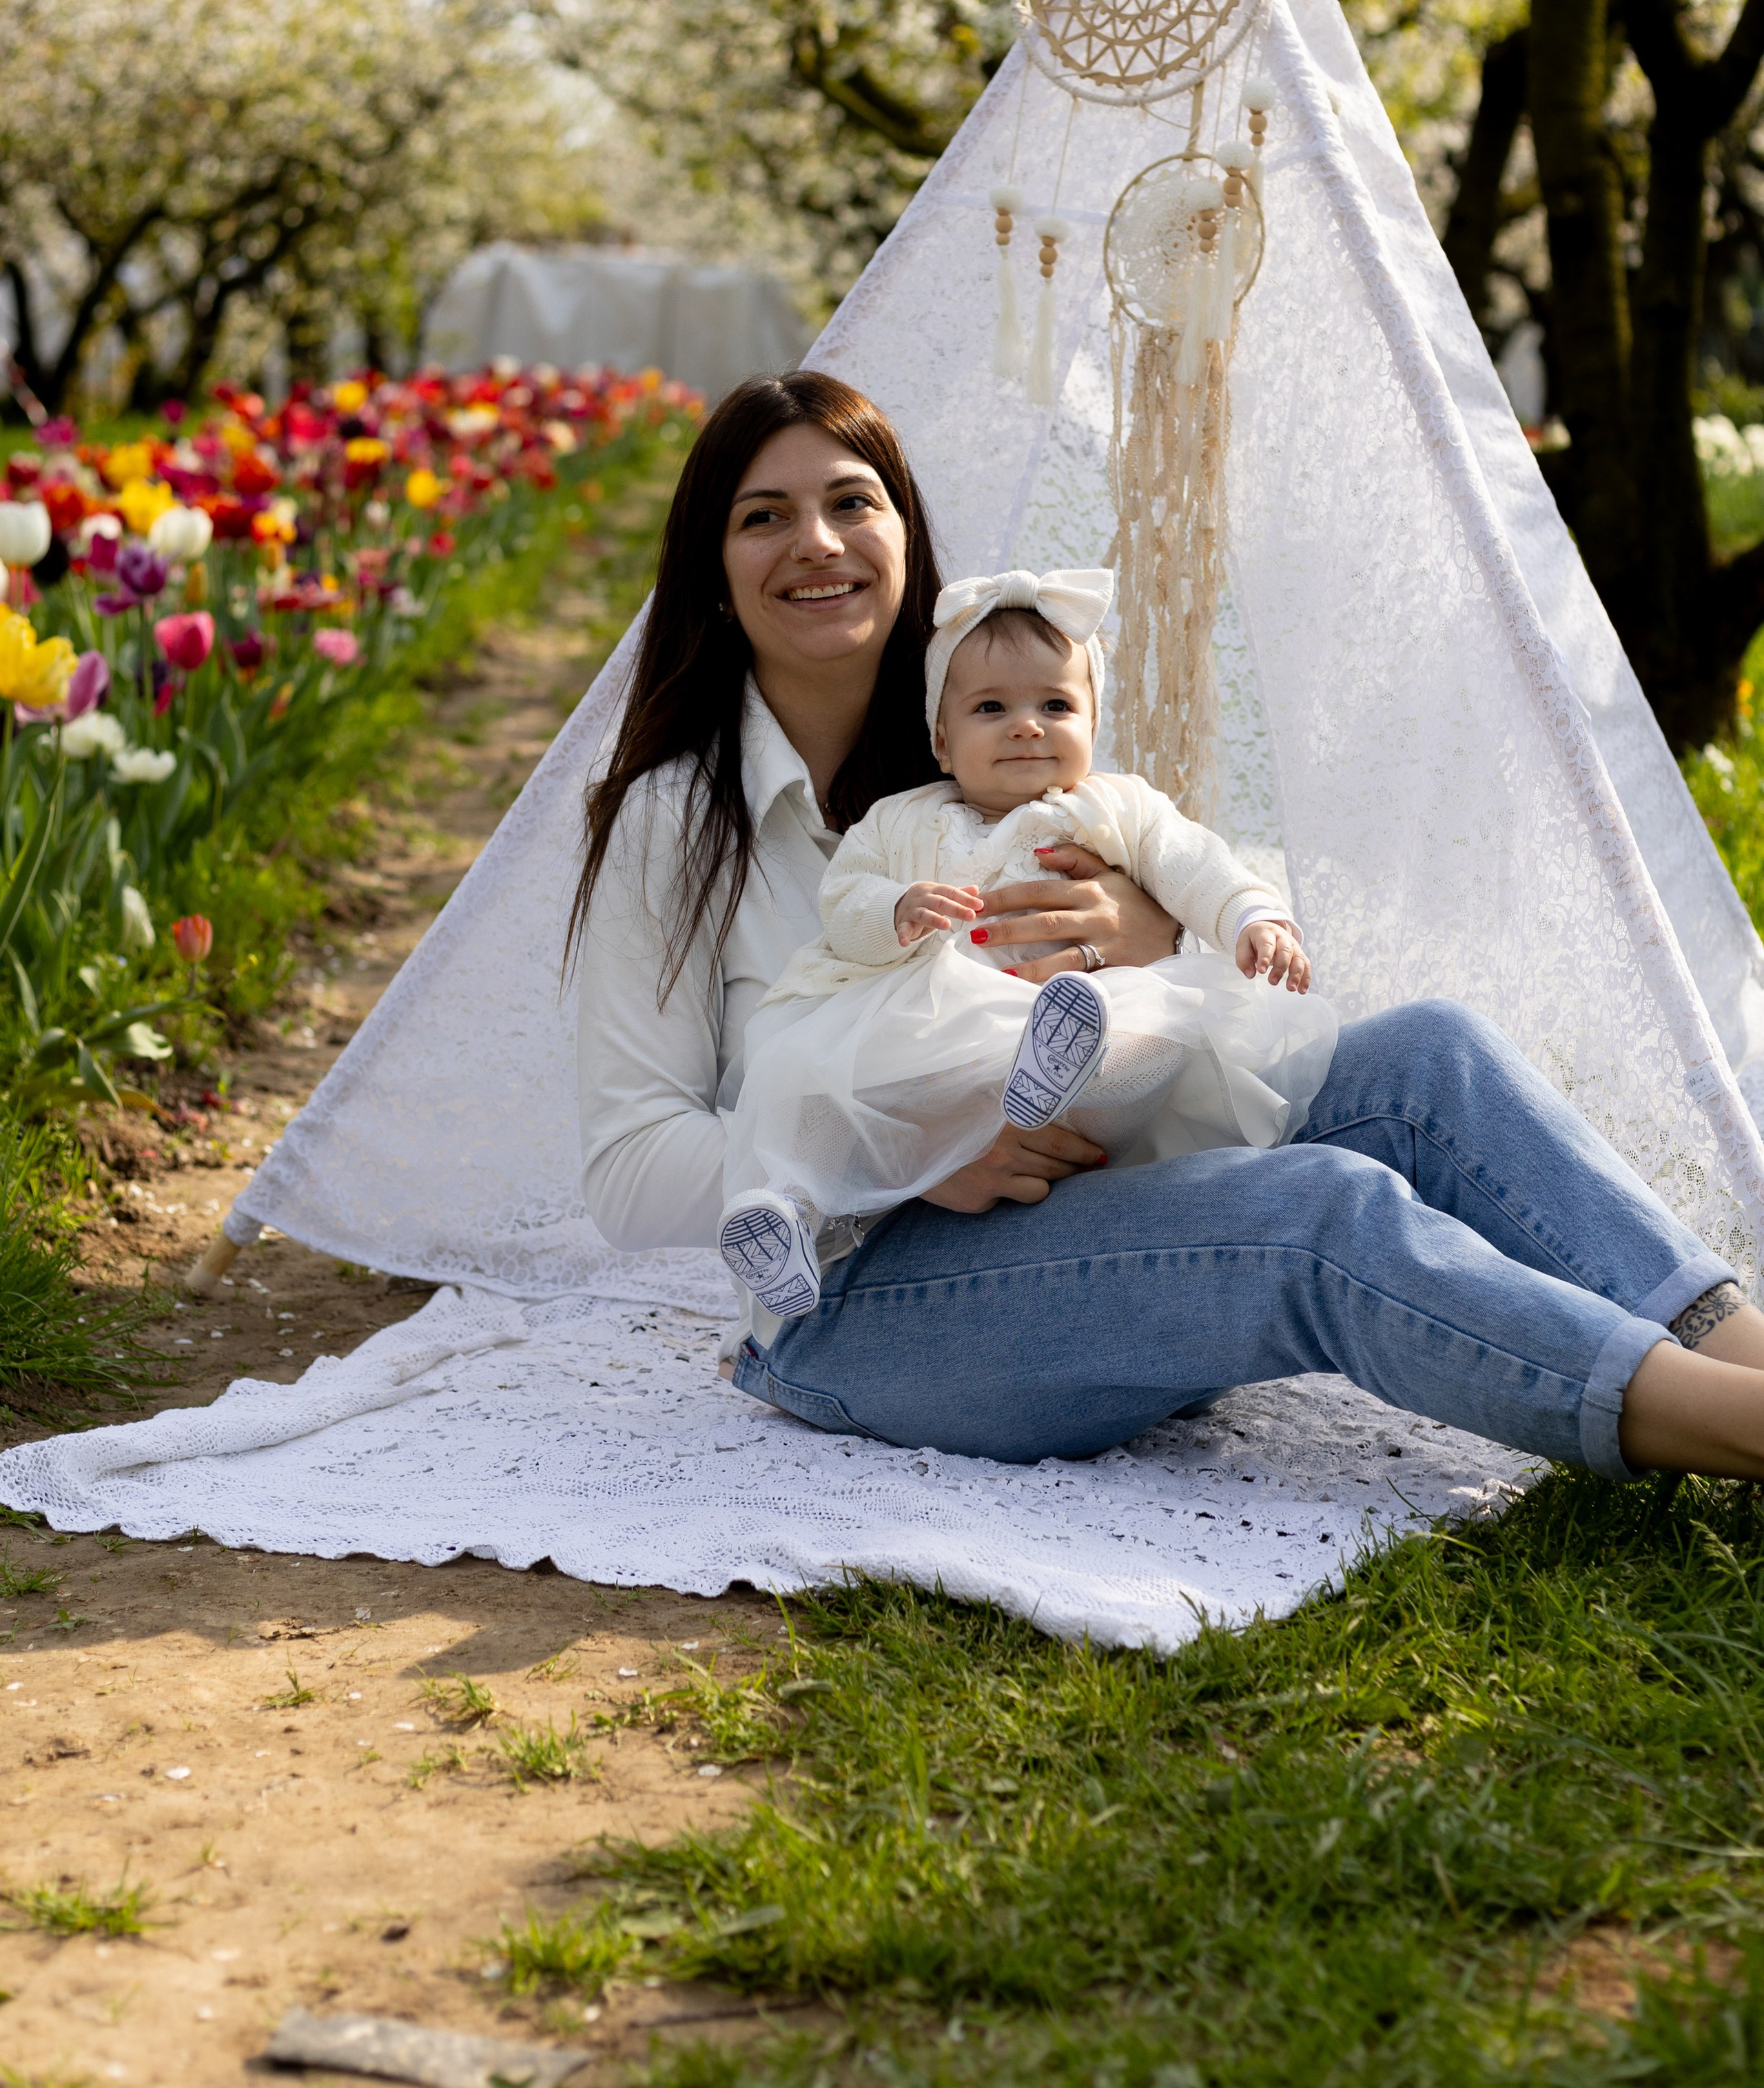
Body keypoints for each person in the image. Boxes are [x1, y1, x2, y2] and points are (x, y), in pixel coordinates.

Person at [574, 368, 1764, 1481]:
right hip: (858, 1302)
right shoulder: (673, 822)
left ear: (905, 536)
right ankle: (1730, 1429)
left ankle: (1735, 1341)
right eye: (763, 516)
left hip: (1092, 1189)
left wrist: (1144, 932)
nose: (818, 543)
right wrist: (899, 1150)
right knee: (1315, 1216)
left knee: (1426, 1060)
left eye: (851, 501)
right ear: (712, 569)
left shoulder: (990, 738)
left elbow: (1163, 902)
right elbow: (629, 1169)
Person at [716, 564, 1337, 1318]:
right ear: (942, 741)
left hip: (1068, 1014)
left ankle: (1063, 1067)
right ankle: (785, 1212)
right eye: (991, 707)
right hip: (928, 1028)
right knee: (811, 1077)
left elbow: (1194, 863)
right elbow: (842, 901)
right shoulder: (898, 819)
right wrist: (897, 907)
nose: (1026, 724)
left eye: (1055, 704)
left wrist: (1251, 919)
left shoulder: (1116, 807)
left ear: (1093, 726)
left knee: (1163, 1019)